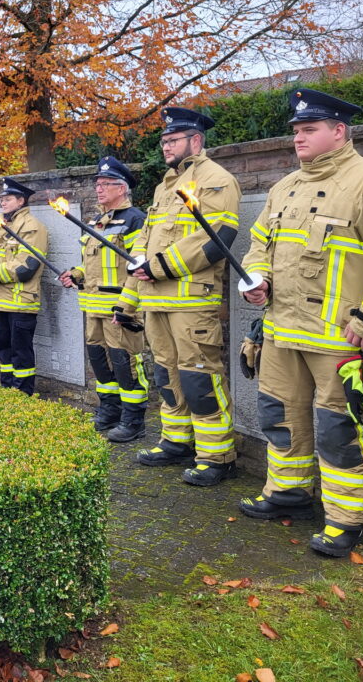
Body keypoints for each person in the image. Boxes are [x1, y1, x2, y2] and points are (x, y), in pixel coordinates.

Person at [238, 88, 363, 556]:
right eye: (296, 131)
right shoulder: (284, 188)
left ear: (339, 131)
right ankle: (289, 493)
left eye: (309, 130)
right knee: (279, 418)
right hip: (281, 332)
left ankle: (345, 521)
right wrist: (256, 279)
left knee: (337, 429)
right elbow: (257, 247)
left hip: (339, 339)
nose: (298, 139)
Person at [116, 107, 242, 486]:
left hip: (191, 301)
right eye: (164, 140)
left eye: (173, 140)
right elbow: (147, 238)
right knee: (166, 375)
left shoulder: (216, 180)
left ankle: (217, 456)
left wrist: (155, 267)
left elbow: (216, 237)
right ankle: (176, 441)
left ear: (196, 141)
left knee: (199, 378)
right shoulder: (163, 186)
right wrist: (134, 270)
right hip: (156, 300)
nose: (166, 146)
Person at [60, 158, 148, 440]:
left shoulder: (135, 219)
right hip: (93, 307)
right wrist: (75, 273)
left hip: (119, 309)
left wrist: (128, 306)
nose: (98, 189)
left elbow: (139, 266)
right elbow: (92, 265)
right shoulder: (95, 222)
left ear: (122, 188)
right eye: (97, 184)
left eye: (105, 184)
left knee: (126, 364)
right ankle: (109, 411)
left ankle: (133, 421)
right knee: (100, 362)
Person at [0, 177, 48, 395]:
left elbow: (26, 267)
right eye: (2, 199)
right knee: (3, 348)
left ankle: (22, 393)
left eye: (8, 199)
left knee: (21, 351)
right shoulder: (3, 228)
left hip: (21, 302)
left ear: (21, 201)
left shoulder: (33, 227)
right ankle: (7, 387)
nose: (3, 203)